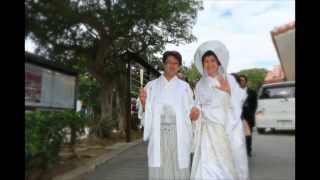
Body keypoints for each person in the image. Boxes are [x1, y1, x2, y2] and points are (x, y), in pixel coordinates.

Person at [191, 40, 249, 180]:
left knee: (229, 168)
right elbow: (198, 105)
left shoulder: (229, 79)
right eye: (206, 61)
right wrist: (195, 113)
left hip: (228, 129)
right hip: (208, 133)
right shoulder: (200, 85)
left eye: (212, 60)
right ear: (202, 64)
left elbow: (237, 104)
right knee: (207, 170)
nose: (209, 64)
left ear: (219, 62)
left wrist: (228, 91)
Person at [138, 51, 200, 180]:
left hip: (179, 133)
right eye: (169, 62)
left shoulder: (185, 88)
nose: (172, 66)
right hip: (158, 134)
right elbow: (145, 115)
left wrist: (193, 115)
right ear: (164, 64)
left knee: (178, 167)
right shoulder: (151, 86)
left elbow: (190, 113)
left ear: (179, 66)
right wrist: (144, 103)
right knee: (159, 167)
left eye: (175, 63)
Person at [239, 75, 258, 157]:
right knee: (239, 135)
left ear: (246, 82)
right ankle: (239, 150)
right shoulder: (235, 91)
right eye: (239, 80)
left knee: (248, 134)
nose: (241, 82)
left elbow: (254, 105)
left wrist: (250, 113)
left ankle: (248, 150)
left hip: (248, 117)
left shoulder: (252, 92)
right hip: (237, 117)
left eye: (242, 80)